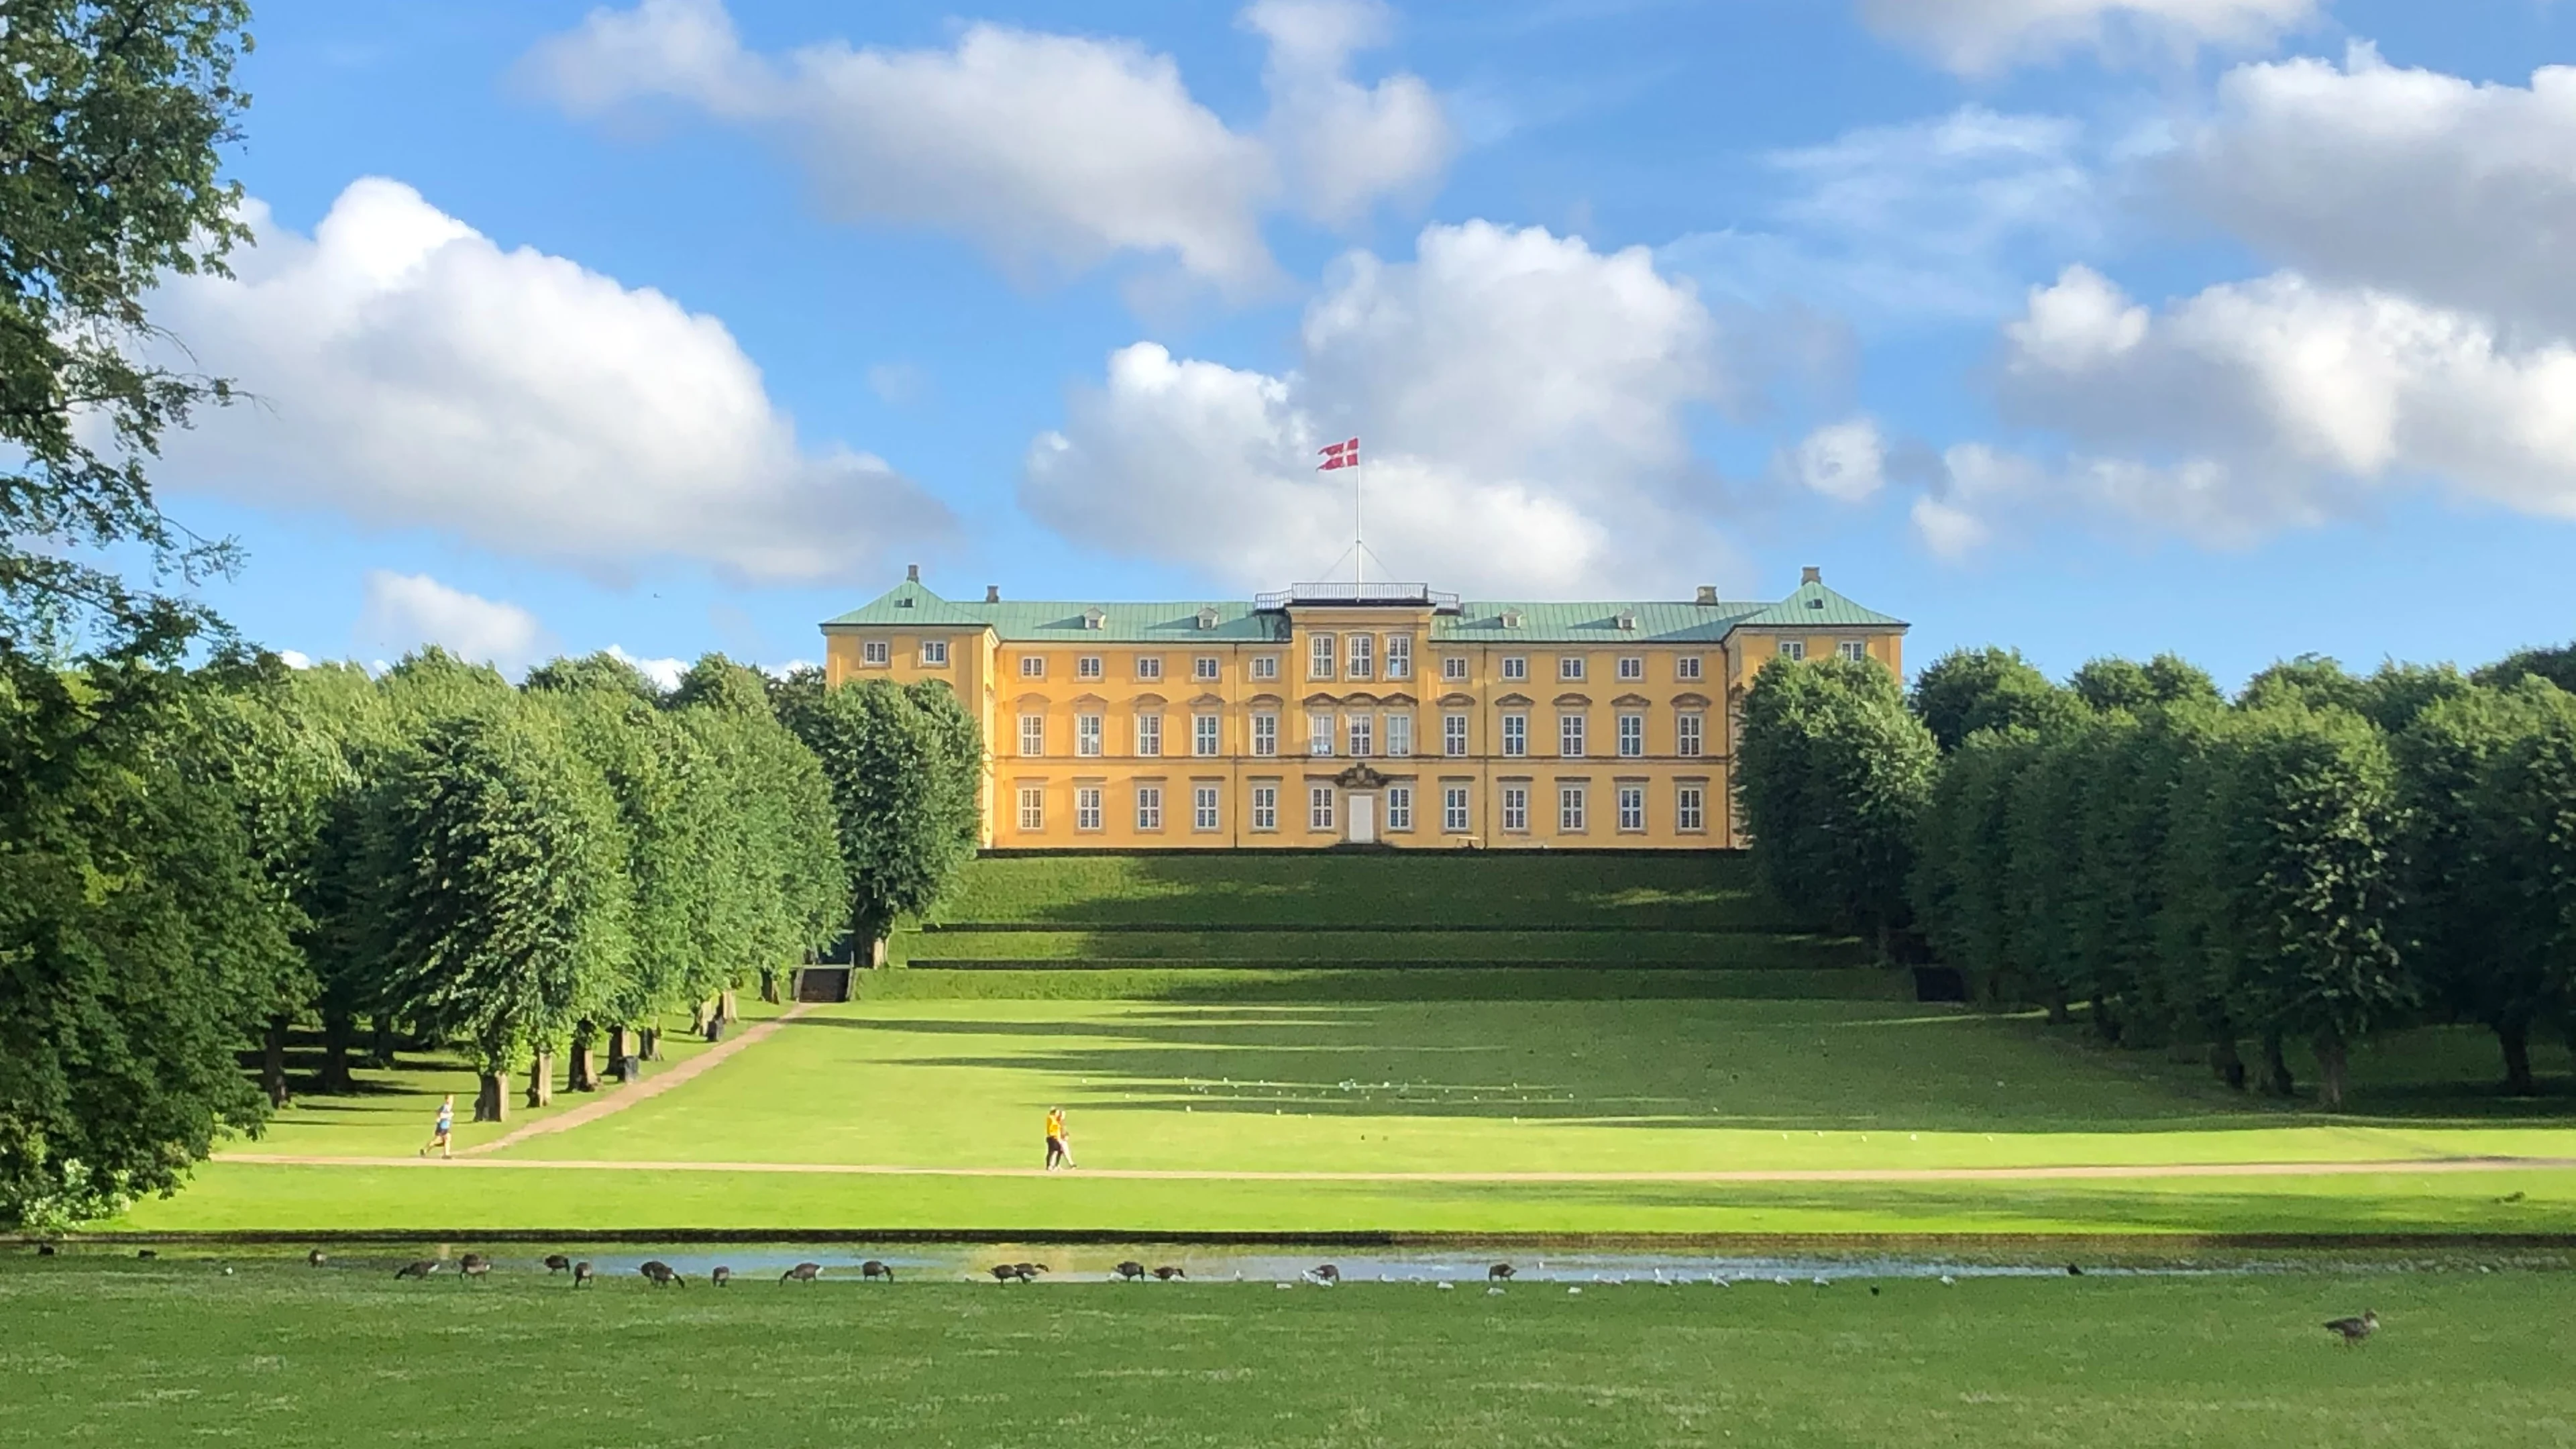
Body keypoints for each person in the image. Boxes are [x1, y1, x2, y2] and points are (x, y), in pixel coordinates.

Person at [421, 1094, 454, 1159]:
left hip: (445, 1126)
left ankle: (446, 1154)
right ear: (447, 1100)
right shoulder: (446, 1107)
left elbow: (438, 1111)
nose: (452, 1101)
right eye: (451, 1099)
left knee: (447, 1138)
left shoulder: (447, 1107)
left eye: (452, 1099)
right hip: (442, 1127)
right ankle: (425, 1150)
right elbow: (441, 1115)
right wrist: (449, 1115)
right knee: (439, 1140)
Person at [1044, 1106, 1069, 1171]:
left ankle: (1056, 1165)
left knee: (1059, 1150)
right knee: (1052, 1151)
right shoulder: (1051, 1118)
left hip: (1056, 1137)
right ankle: (1049, 1165)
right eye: (1057, 1113)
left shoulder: (1056, 1119)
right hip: (1052, 1136)